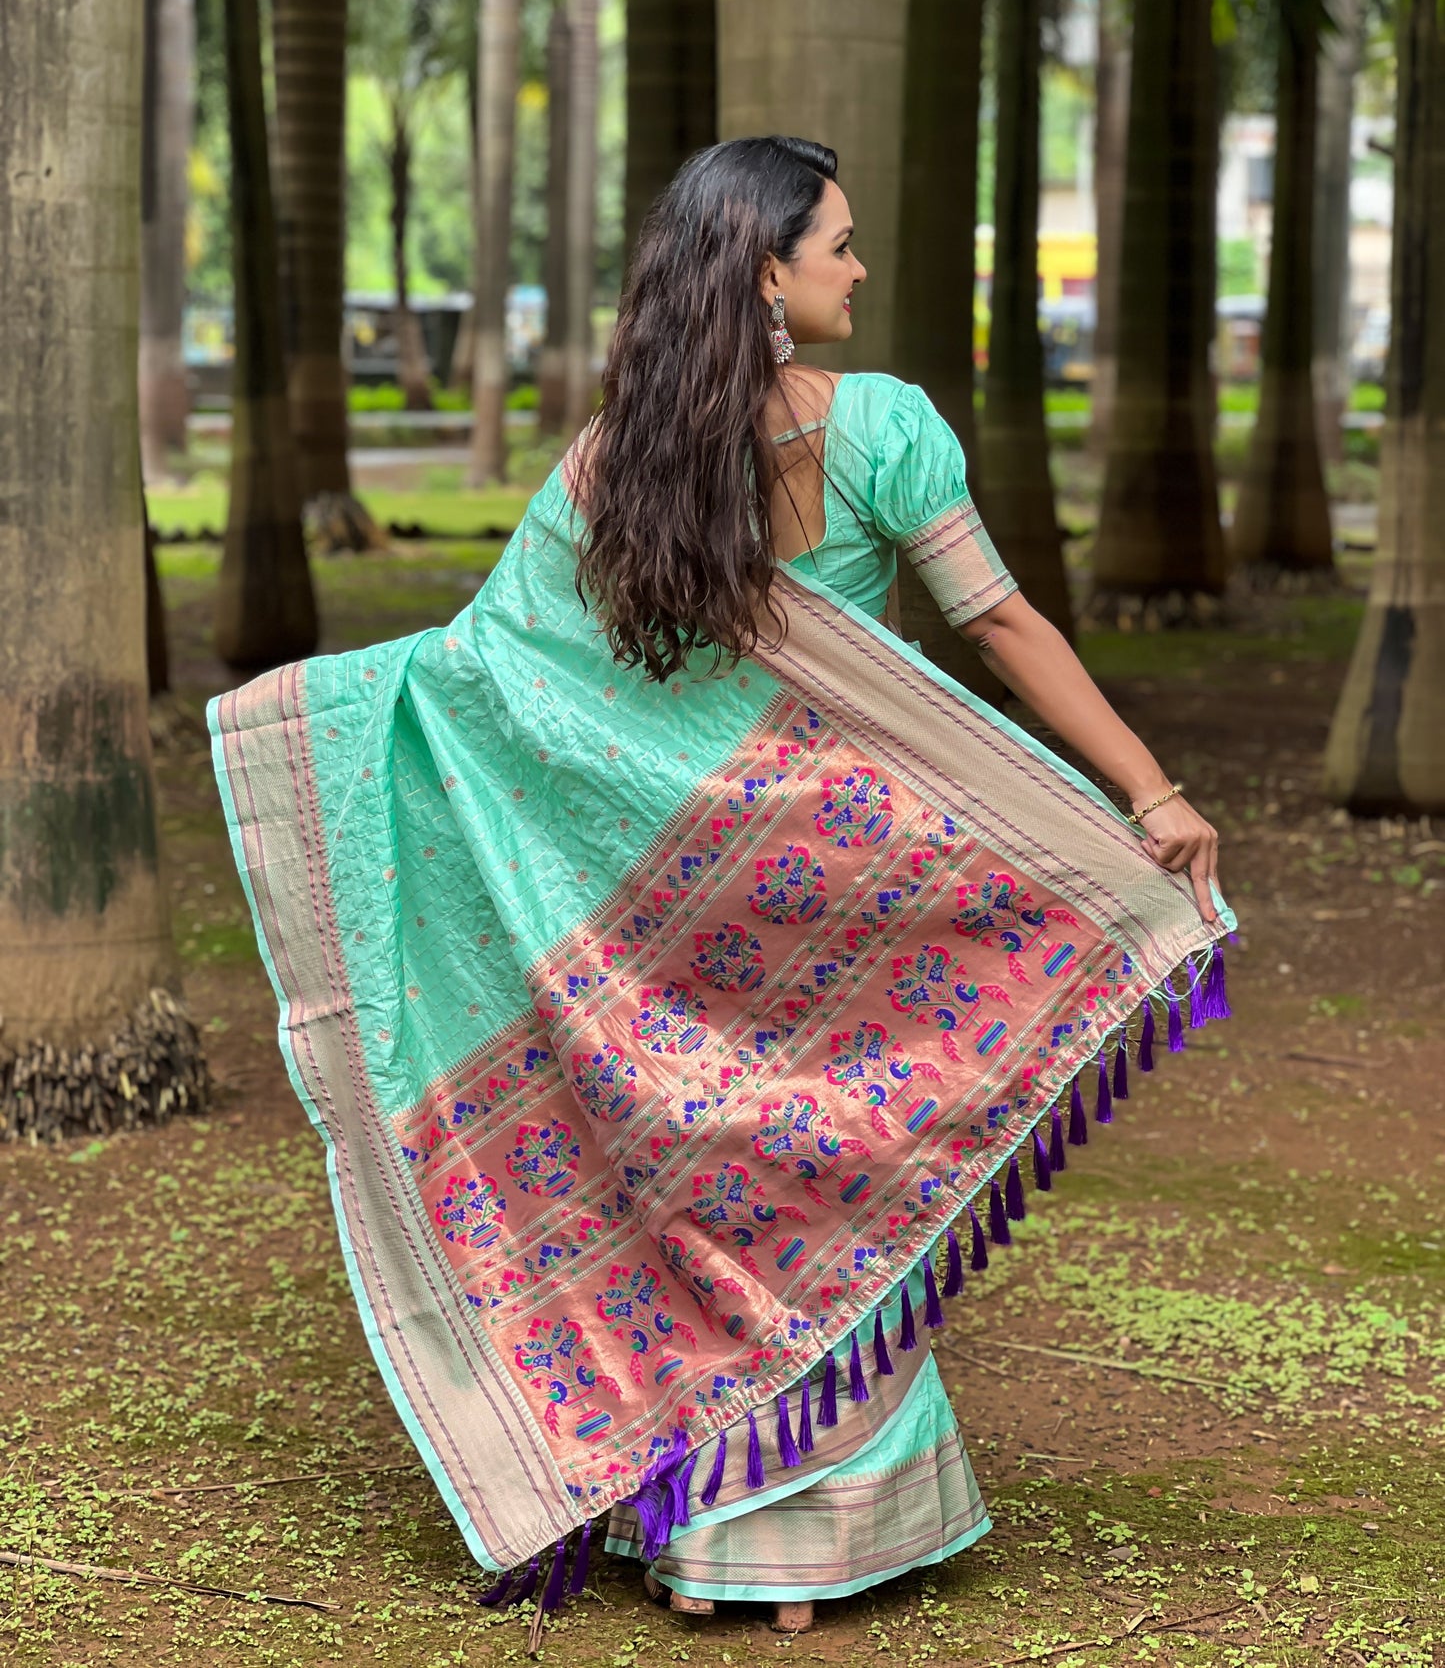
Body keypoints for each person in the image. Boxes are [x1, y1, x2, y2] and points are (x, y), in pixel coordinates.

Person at [210, 136, 1230, 1643]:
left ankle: (713, 1529)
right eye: (839, 247)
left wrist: (312, 727)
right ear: (766, 271)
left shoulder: (611, 457)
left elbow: (493, 676)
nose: (859, 271)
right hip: (855, 885)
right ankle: (815, 1541)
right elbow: (1001, 626)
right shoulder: (882, 429)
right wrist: (1144, 788)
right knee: (845, 1176)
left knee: (713, 1186)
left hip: (687, 900)